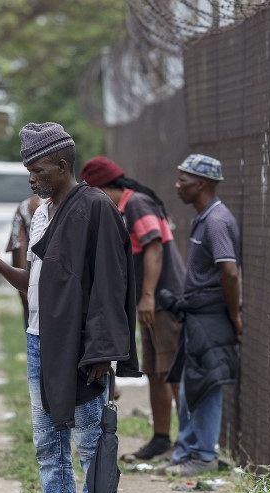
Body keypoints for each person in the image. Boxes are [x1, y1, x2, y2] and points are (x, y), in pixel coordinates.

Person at [0, 122, 141, 493]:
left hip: (79, 349)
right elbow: (37, 284)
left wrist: (102, 350)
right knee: (49, 446)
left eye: (39, 170)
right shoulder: (42, 211)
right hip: (39, 342)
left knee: (90, 447)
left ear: (63, 165)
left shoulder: (95, 207)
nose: (32, 177)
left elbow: (110, 283)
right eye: (28, 169)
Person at [81, 156, 186, 462]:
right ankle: (162, 438)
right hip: (149, 304)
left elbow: (154, 247)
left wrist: (149, 296)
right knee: (155, 372)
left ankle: (189, 443)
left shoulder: (137, 203)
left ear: (105, 187)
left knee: (172, 372)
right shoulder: (122, 209)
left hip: (163, 300)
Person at [160, 154, 242, 477]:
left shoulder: (217, 221)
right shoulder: (203, 218)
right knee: (190, 383)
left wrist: (234, 314)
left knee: (207, 383)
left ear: (202, 184)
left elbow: (230, 273)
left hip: (212, 315)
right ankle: (189, 450)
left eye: (183, 180)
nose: (177, 185)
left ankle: (204, 455)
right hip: (197, 315)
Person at [6, 194, 42, 326]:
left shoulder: (26, 208)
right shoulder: (79, 203)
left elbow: (19, 255)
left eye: (37, 171)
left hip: (36, 302)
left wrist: (28, 299)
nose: (31, 179)